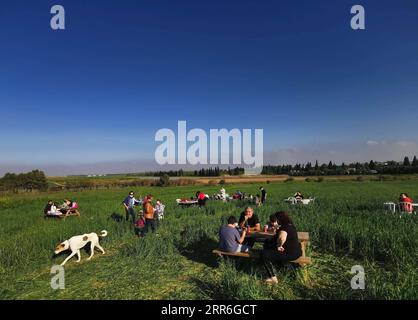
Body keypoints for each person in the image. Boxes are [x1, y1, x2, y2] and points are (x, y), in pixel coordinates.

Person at [261, 211, 302, 284]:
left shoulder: (284, 228)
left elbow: (281, 237)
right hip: (296, 251)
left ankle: (273, 278)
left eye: (277, 219)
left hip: (290, 253)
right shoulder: (290, 225)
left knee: (264, 254)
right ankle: (284, 267)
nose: (276, 221)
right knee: (270, 250)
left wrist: (279, 245)